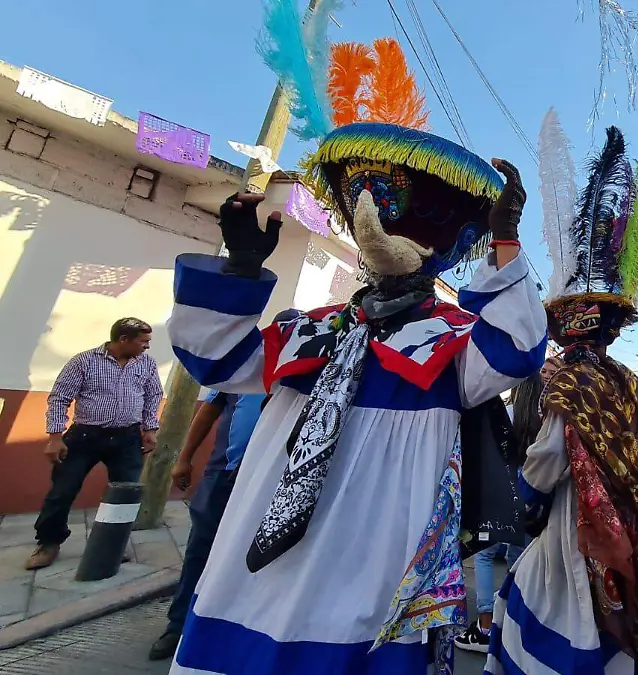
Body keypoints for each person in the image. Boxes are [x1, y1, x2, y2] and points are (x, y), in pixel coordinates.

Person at [166, 114, 546, 671]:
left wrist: (507, 244)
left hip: (370, 565)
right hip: (256, 577)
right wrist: (241, 271)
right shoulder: (311, 328)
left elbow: (518, 347)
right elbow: (215, 357)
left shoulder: (458, 342)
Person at [486, 126, 638, 674]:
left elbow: (548, 459)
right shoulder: (625, 379)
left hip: (574, 527)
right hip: (626, 524)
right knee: (606, 623)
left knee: (558, 617)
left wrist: (521, 495)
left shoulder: (569, 380)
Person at [148, 311, 292, 661]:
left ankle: (238, 629)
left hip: (272, 484)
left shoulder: (307, 374)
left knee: (260, 559)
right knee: (201, 550)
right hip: (222, 476)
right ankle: (179, 625)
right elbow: (208, 412)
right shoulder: (244, 368)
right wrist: (184, 458)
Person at [25, 318, 163, 571]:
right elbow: (59, 398)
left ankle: (111, 544)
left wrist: (150, 429)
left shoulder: (146, 364)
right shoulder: (84, 361)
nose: (147, 347)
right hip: (85, 437)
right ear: (123, 339)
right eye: (143, 342)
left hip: (127, 438)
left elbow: (153, 395)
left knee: (125, 494)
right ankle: (48, 542)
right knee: (62, 491)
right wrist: (55, 438)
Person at [455, 357, 562, 654]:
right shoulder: (547, 418)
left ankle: (486, 625)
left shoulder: (508, 413)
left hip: (500, 492)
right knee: (520, 561)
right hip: (532, 493)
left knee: (485, 558)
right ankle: (512, 623)